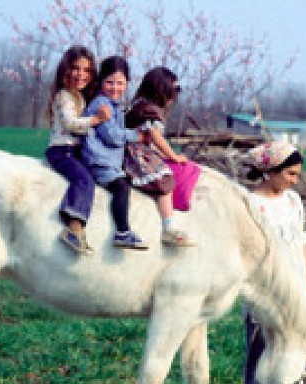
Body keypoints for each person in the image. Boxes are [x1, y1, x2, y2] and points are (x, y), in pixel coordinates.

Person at [240, 142, 306, 384]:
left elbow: (299, 242)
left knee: (297, 352)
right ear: (269, 172)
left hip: (295, 287)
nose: (294, 180)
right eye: (289, 174)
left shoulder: (293, 201)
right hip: (266, 289)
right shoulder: (251, 203)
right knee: (260, 353)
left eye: (297, 174)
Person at [45, 45, 111, 255]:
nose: (81, 75)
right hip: (61, 150)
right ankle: (74, 227)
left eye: (87, 70)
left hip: (74, 150)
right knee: (83, 180)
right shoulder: (64, 96)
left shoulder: (80, 97)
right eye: (75, 68)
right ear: (65, 69)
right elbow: (70, 123)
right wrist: (96, 120)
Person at [124, 66, 196, 247]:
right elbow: (155, 136)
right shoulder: (149, 109)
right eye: (170, 95)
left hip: (137, 148)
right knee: (164, 179)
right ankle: (169, 227)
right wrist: (173, 155)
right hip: (136, 152)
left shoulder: (139, 104)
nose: (171, 100)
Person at [82, 55, 147, 250]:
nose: (115, 87)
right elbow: (111, 135)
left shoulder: (114, 105)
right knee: (121, 187)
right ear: (101, 82)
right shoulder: (101, 105)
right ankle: (122, 232)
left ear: (127, 83)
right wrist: (135, 135)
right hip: (99, 161)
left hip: (108, 160)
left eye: (120, 83)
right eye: (109, 82)